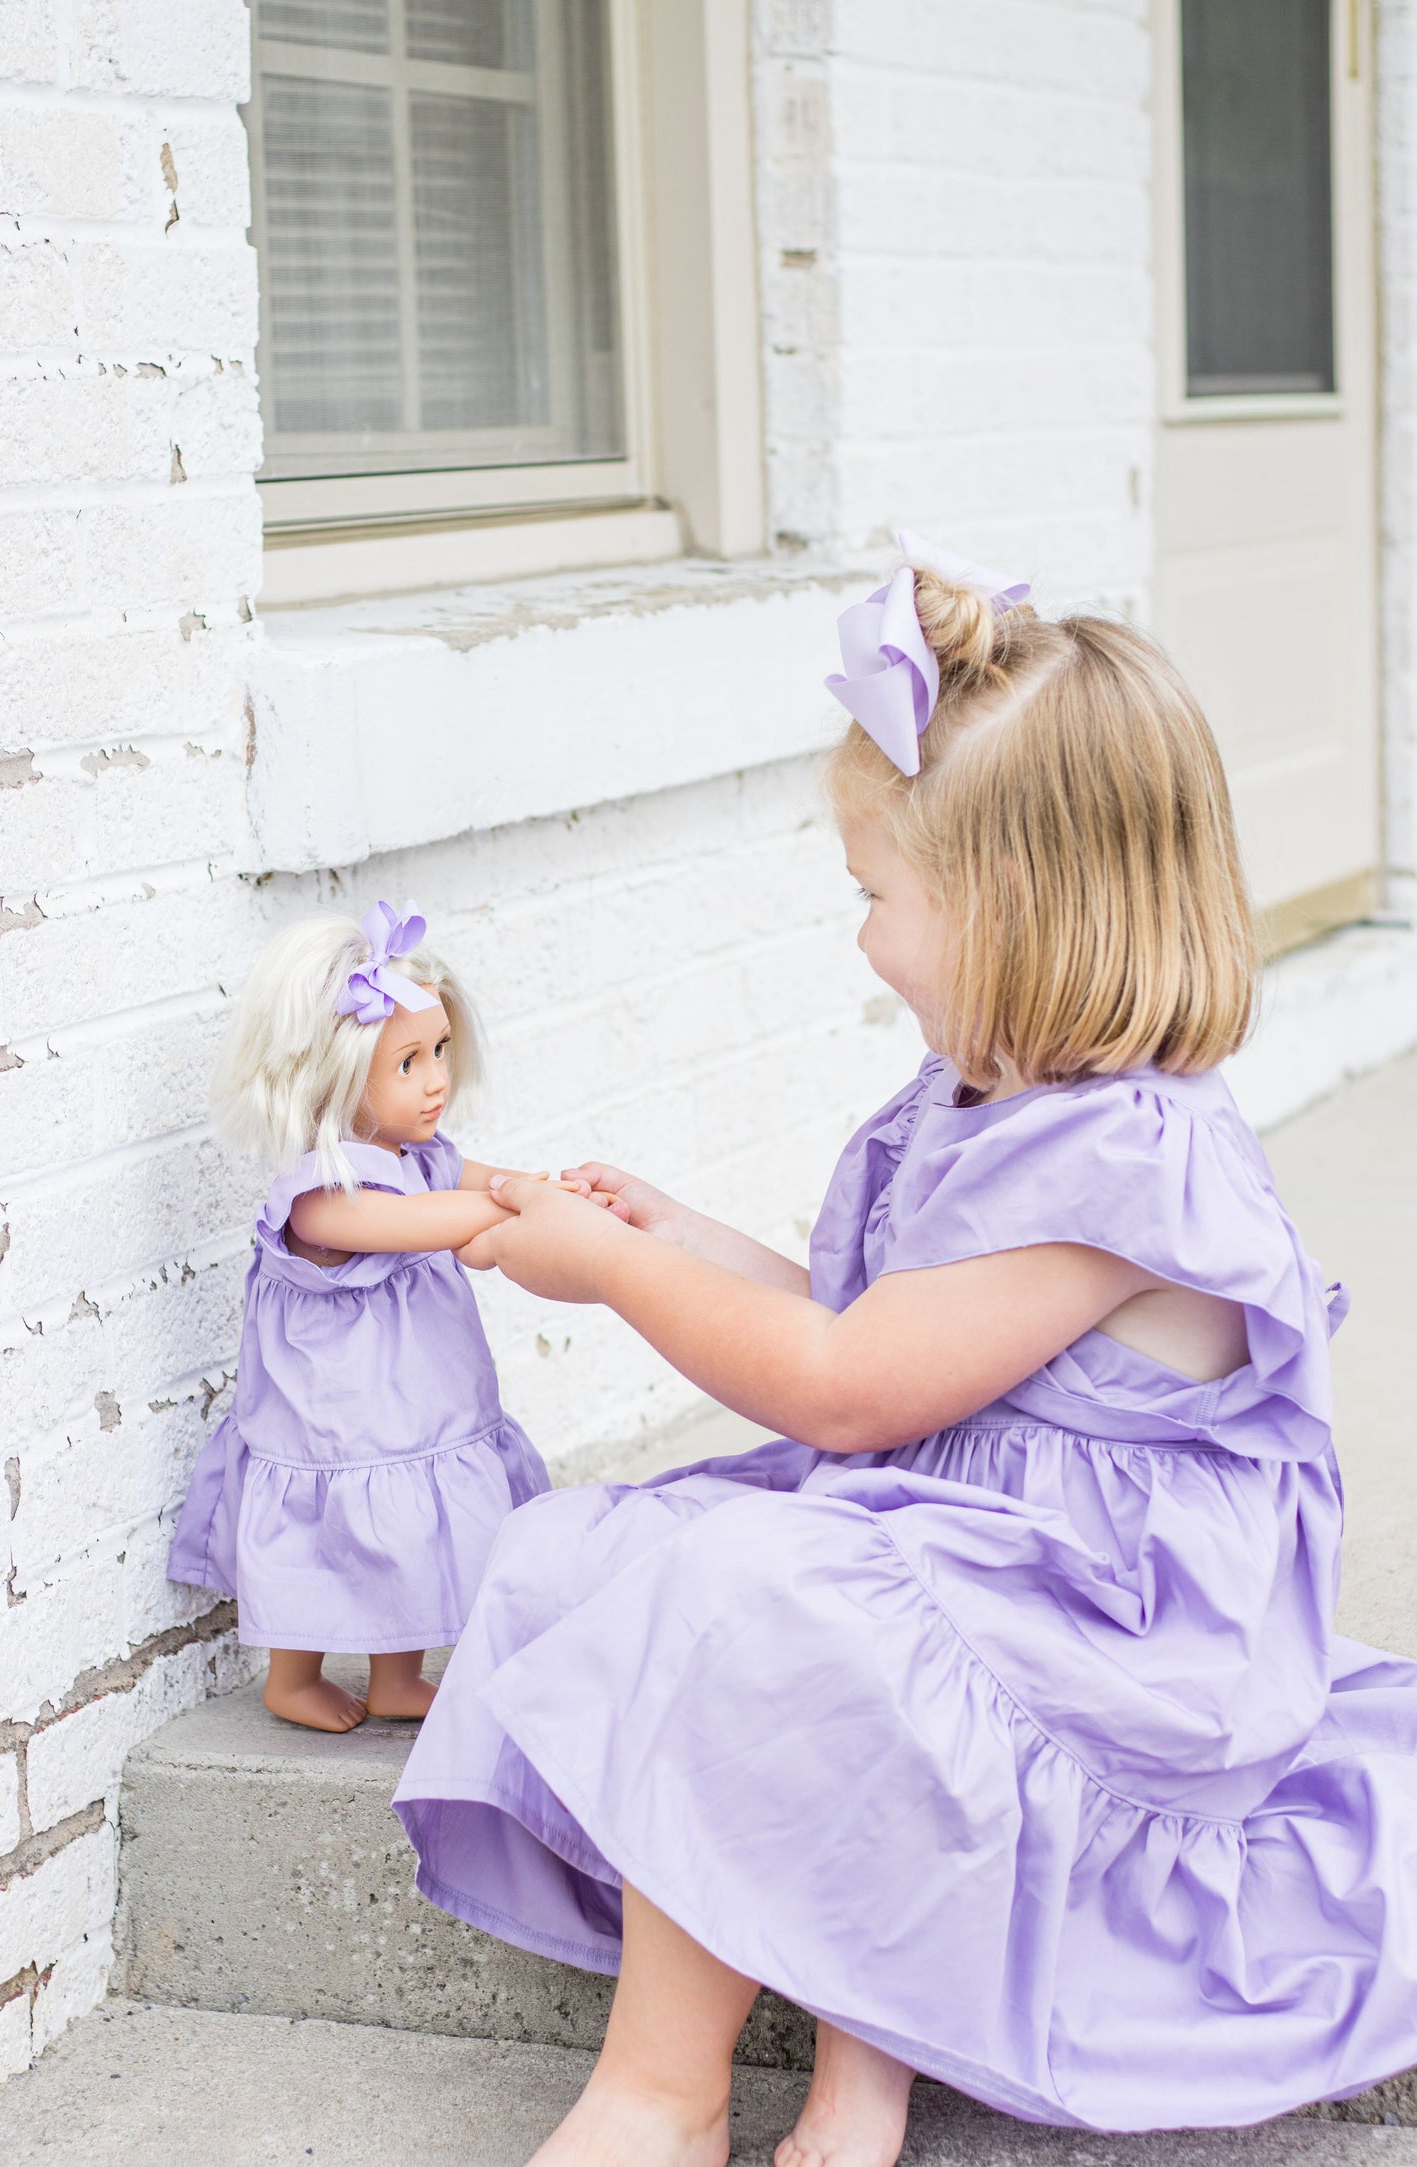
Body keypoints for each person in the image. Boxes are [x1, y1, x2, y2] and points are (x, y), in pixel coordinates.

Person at [394, 542, 1417, 2160]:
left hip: (1112, 1626)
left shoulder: (1126, 1164)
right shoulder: (988, 1091)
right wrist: (659, 1232)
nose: (863, 940)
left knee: (751, 1593)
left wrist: (619, 1279)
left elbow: (847, 1385)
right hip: (969, 1549)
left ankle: (662, 2092)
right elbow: (862, 1315)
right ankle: (859, 2078)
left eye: (878, 896)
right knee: (601, 1553)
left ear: (1009, 908)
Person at [168, 899, 588, 1732]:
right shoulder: (321, 1197)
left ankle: (397, 1676)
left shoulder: (421, 1154)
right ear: (337, 1072)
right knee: (332, 1531)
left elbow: (481, 1182)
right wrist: (519, 1217)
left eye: (438, 1051)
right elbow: (423, 1220)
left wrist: (550, 1190)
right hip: (338, 1419)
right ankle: (292, 1675)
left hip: (419, 1403)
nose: (436, 1078)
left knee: (409, 1534)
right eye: (407, 1063)